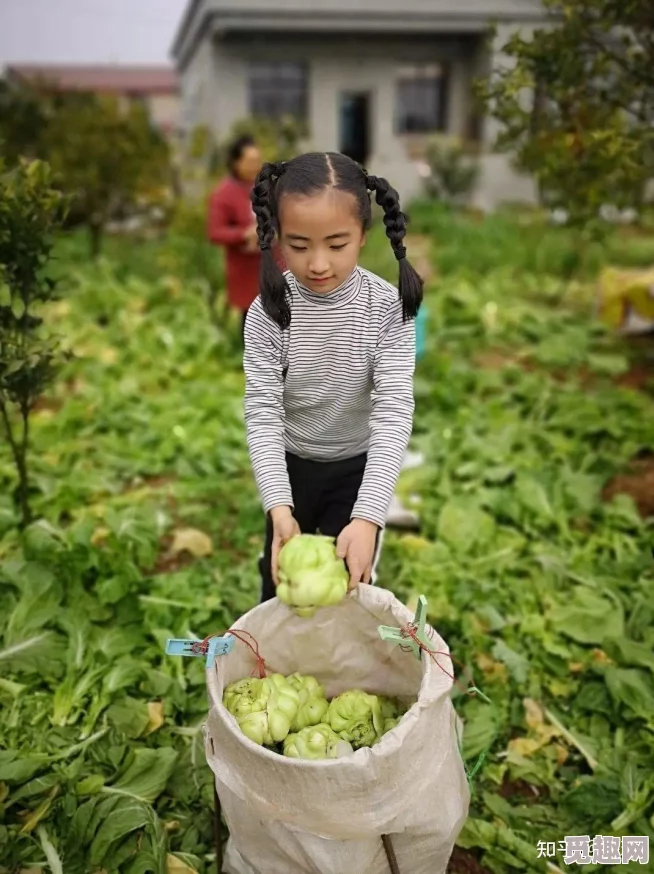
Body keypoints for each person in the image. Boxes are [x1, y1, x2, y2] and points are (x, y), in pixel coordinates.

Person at [243, 151, 424, 603]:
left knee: (347, 587)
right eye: (299, 246)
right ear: (276, 237)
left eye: (336, 244)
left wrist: (368, 516)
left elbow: (394, 411)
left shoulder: (386, 309)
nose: (318, 264)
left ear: (364, 235)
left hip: (357, 471)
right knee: (284, 585)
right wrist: (279, 507)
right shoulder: (268, 313)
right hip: (292, 467)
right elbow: (263, 414)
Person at [207, 135, 264, 339]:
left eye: (257, 161)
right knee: (252, 319)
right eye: (249, 162)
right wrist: (243, 234)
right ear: (235, 163)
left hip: (273, 264)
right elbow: (215, 232)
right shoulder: (224, 194)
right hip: (245, 269)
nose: (255, 167)